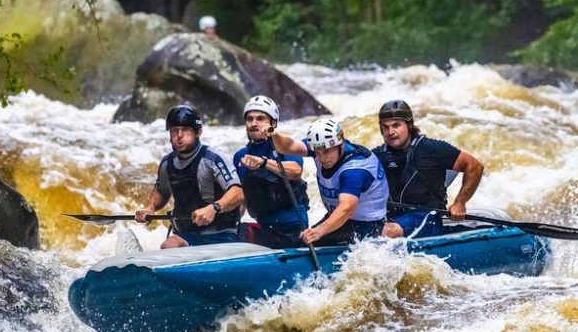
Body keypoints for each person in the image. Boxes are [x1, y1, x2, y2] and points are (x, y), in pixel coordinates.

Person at [135, 105, 244, 248]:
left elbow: (238, 193)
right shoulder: (167, 164)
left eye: (185, 130)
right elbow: (161, 191)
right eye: (174, 130)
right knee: (168, 246)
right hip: (187, 234)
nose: (179, 135)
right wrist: (150, 208)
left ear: (198, 132)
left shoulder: (214, 159)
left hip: (221, 234)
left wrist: (214, 208)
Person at [269, 118, 389, 246]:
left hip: (367, 225)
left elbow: (346, 208)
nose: (322, 158)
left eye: (326, 152)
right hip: (341, 220)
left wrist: (318, 232)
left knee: (308, 243)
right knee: (302, 242)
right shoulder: (323, 144)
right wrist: (273, 135)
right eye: (317, 153)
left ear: (340, 145)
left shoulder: (354, 170)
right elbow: (289, 146)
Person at [374, 100, 484, 238]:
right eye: (385, 127)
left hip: (426, 218)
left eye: (396, 125)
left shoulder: (432, 149)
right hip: (390, 218)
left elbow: (474, 166)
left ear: (409, 125)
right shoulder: (376, 156)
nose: (390, 132)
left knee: (389, 231)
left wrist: (460, 203)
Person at [233, 95, 310, 248]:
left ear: (273, 123)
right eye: (250, 119)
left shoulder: (283, 147)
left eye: (260, 118)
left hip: (292, 228)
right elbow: (242, 199)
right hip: (265, 227)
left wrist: (264, 163)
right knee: (234, 234)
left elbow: (296, 171)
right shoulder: (240, 156)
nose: (254, 124)